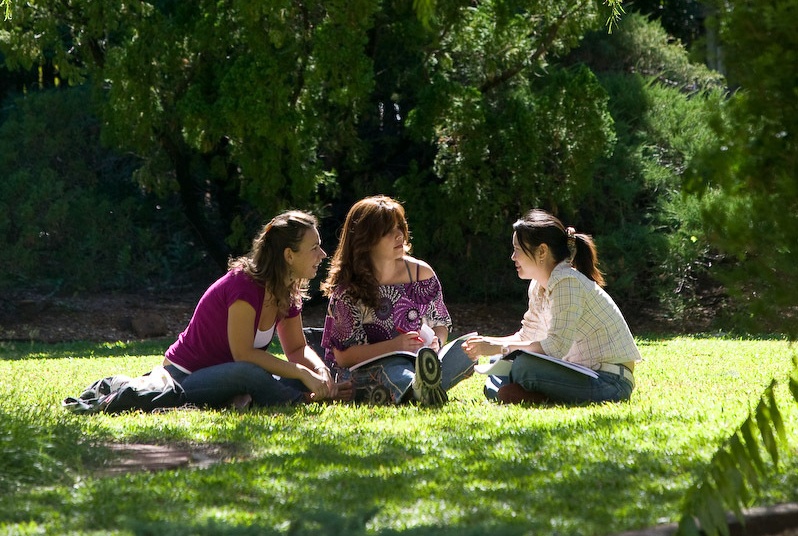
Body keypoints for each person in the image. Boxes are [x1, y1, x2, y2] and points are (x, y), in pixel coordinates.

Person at [162, 210, 352, 409]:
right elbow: (243, 354)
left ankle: (256, 397)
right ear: (289, 255)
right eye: (314, 248)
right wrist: (302, 372)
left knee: (298, 374)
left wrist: (320, 370)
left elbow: (297, 349)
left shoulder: (286, 291)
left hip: (234, 377)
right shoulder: (243, 285)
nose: (322, 254)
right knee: (251, 373)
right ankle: (301, 399)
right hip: (184, 378)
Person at [462, 209, 642, 405]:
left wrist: (499, 347)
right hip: (577, 375)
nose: (513, 256)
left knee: (523, 366)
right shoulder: (538, 285)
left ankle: (523, 395)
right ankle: (523, 395)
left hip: (610, 382)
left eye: (518, 249)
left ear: (542, 251)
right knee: (498, 362)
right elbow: (527, 336)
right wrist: (487, 343)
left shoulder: (567, 281)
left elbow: (555, 347)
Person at [320, 195, 475, 405]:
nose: (399, 235)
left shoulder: (421, 274)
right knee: (395, 368)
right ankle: (419, 387)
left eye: (400, 227)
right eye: (388, 231)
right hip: (365, 372)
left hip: (417, 360)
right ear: (365, 240)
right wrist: (395, 346)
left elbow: (440, 323)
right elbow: (343, 357)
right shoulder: (348, 290)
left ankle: (418, 387)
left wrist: (436, 343)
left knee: (466, 350)